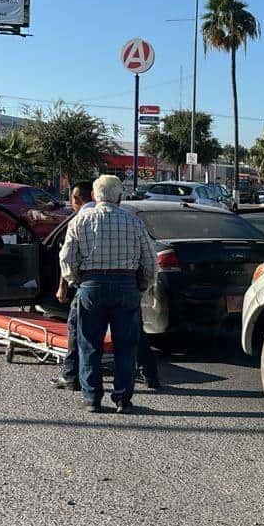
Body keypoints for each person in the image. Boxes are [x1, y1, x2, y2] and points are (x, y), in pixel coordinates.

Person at [59, 175, 156, 413]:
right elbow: (151, 260)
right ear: (120, 197)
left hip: (92, 286)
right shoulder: (133, 221)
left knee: (89, 344)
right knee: (126, 346)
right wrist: (141, 285)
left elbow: (67, 258)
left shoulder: (80, 221)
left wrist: (77, 282)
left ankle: (92, 398)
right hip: (126, 285)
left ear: (94, 196)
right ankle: (123, 399)